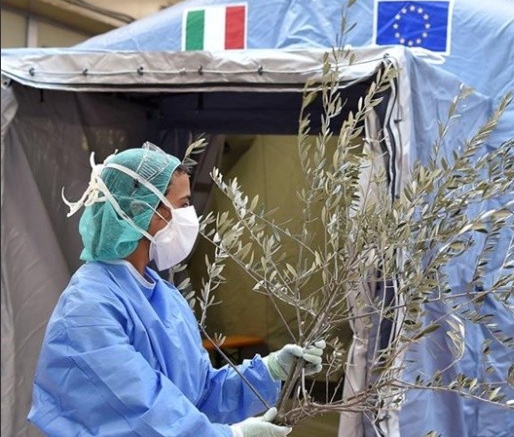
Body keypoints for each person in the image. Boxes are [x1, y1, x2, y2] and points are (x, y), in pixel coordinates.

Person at [28, 142, 325, 437]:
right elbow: (142, 414)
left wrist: (271, 371)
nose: (189, 215)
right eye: (183, 204)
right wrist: (232, 436)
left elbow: (199, 395)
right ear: (144, 211)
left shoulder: (162, 295)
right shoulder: (89, 308)